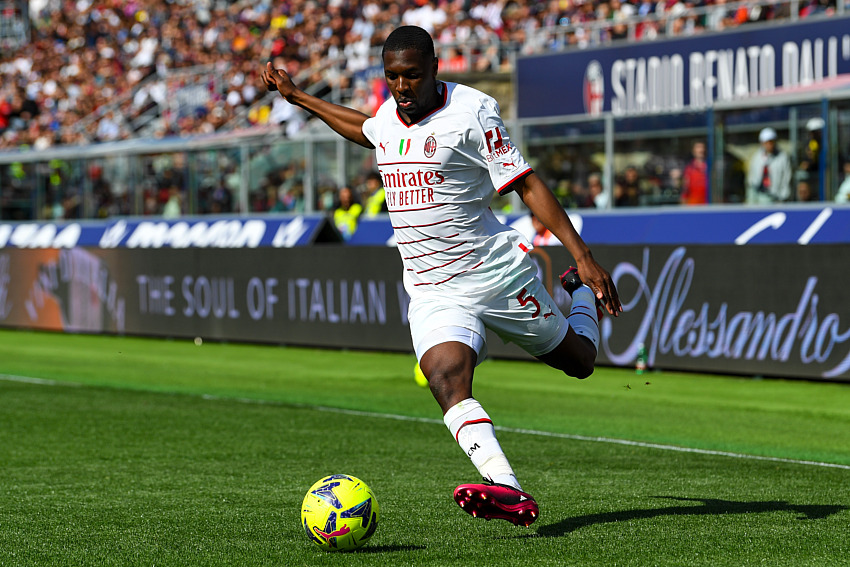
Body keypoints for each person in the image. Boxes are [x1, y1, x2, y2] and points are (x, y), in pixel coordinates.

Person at [263, 25, 621, 528]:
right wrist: (298, 97)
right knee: (445, 378)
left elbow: (525, 183)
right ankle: (509, 489)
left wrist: (581, 256)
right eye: (392, 76)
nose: (402, 86)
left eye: (411, 75)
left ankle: (578, 296)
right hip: (431, 287)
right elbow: (365, 129)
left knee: (579, 362)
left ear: (434, 68)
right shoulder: (389, 116)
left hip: (494, 276)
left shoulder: (473, 111)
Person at [746, 127, 792, 204]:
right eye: (766, 142)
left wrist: (783, 197)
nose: (769, 145)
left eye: (771, 142)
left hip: (775, 197)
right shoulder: (756, 157)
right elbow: (751, 178)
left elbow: (786, 178)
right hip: (758, 196)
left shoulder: (782, 158)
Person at [681, 141, 708, 205]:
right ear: (693, 151)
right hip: (693, 205)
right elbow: (685, 190)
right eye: (698, 147)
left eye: (703, 147)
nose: (701, 150)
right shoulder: (689, 169)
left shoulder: (711, 168)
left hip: (708, 205)